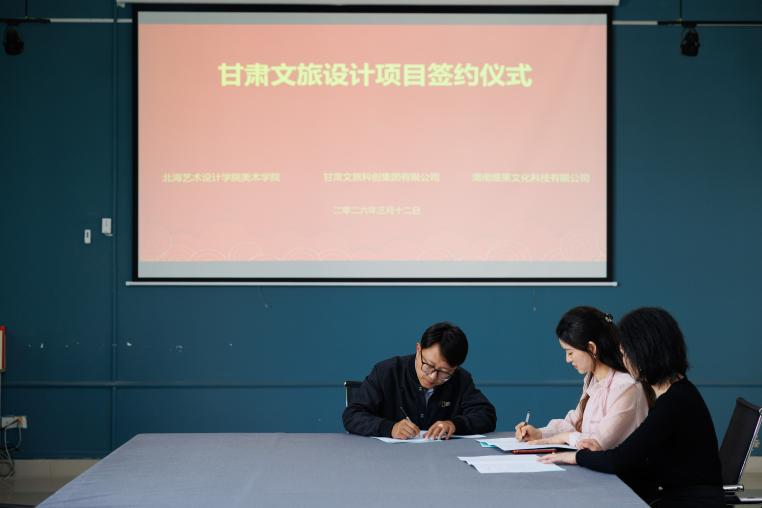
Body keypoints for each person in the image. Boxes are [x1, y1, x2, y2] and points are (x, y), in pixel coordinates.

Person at [540, 308, 724, 508]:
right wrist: (596, 455)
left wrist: (575, 457)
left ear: (645, 353)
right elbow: (634, 457)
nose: (624, 359)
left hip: (688, 501)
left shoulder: (674, 402)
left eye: (625, 352)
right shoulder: (676, 392)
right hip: (672, 493)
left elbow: (617, 461)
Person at [515, 306, 650, 449]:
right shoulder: (592, 379)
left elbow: (600, 442)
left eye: (570, 352)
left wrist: (564, 437)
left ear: (591, 348)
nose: (567, 359)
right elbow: (574, 423)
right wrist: (539, 433)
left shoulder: (625, 387)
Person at [342, 322, 496, 439]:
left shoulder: (461, 379)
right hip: (388, 460)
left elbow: (486, 415)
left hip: (442, 460)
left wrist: (454, 424)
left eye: (444, 373)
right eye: (428, 366)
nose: (432, 377)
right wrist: (389, 428)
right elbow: (352, 415)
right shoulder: (387, 372)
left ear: (455, 368)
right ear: (418, 349)